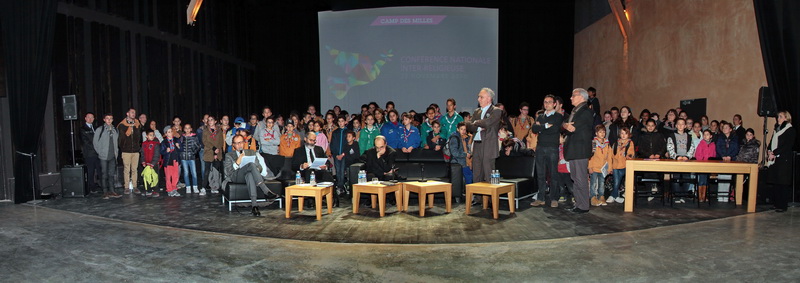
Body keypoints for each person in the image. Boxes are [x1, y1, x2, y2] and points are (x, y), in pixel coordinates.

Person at [224, 135, 277, 216]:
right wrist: (239, 160)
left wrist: (255, 170)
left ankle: (254, 206)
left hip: (248, 174)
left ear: (244, 143)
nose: (239, 145)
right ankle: (266, 191)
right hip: (235, 176)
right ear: (233, 145)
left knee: (249, 174)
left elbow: (259, 167)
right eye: (237, 143)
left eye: (241, 142)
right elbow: (229, 172)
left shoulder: (251, 152)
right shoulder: (229, 155)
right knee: (251, 165)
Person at [562, 88, 594, 213]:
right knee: (575, 178)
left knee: (580, 178)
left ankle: (584, 206)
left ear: (581, 97)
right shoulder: (575, 111)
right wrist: (565, 125)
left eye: (573, 95)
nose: (571, 98)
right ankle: (579, 203)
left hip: (580, 150)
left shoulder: (585, 111)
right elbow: (564, 124)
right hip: (574, 149)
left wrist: (567, 126)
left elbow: (573, 127)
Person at [530, 94, 563, 208]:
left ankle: (554, 198)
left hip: (552, 148)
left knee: (553, 173)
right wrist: (545, 126)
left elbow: (554, 129)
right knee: (540, 174)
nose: (547, 104)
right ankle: (541, 198)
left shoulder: (558, 116)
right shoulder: (540, 117)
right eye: (545, 102)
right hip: (540, 148)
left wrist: (541, 128)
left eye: (549, 102)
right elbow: (534, 129)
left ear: (554, 104)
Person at [465, 87, 502, 184]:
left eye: (481, 97)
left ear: (489, 99)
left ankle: (491, 198)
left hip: (488, 145)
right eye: (478, 97)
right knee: (477, 173)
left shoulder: (496, 110)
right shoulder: (477, 111)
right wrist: (478, 126)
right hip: (477, 144)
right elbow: (469, 125)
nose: (479, 99)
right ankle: (478, 198)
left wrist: (476, 122)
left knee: (489, 173)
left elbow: (488, 122)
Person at [766, 111, 795, 212]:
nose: (778, 118)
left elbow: (787, 146)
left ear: (786, 118)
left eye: (781, 117)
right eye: (778, 116)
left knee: (782, 183)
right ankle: (776, 203)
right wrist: (769, 151)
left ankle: (782, 205)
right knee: (776, 182)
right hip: (775, 159)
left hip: (784, 160)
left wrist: (774, 152)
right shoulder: (776, 130)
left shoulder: (790, 130)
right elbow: (770, 143)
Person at [666, 118, 697, 203]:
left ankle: (683, 195)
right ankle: (676, 195)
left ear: (685, 126)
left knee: (686, 177)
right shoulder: (671, 136)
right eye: (678, 124)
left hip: (686, 161)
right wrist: (676, 157)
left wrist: (687, 157)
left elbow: (692, 148)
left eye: (682, 124)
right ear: (676, 126)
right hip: (676, 160)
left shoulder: (689, 136)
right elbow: (669, 148)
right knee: (675, 178)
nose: (680, 125)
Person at [93, 114, 121, 199]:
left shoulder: (115, 130)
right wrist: (100, 152)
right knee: (104, 174)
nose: (109, 120)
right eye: (107, 119)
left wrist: (116, 153)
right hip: (103, 156)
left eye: (111, 119)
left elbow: (116, 143)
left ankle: (112, 191)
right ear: (104, 120)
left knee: (111, 174)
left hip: (113, 156)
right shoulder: (100, 129)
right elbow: (95, 143)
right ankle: (105, 192)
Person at [117, 108, 142, 195]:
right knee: (127, 169)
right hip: (126, 151)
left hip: (135, 150)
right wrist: (127, 134)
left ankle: (135, 186)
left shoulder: (137, 124)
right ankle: (126, 187)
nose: (133, 114)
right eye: (132, 112)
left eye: (134, 113)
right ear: (127, 114)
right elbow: (120, 140)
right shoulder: (122, 125)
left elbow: (139, 137)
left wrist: (138, 146)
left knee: (135, 169)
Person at [588, 125, 613, 206]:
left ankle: (601, 196)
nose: (602, 133)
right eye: (600, 132)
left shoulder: (607, 143)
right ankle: (593, 197)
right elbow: (590, 156)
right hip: (594, 167)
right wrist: (590, 167)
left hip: (603, 168)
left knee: (602, 183)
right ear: (596, 133)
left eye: (603, 132)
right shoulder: (594, 143)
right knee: (593, 183)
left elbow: (609, 157)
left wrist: (609, 168)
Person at [610, 127, 635, 204]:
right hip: (615, 164)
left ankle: (613, 195)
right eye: (622, 133)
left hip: (624, 164)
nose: (623, 135)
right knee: (616, 181)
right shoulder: (616, 143)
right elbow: (611, 154)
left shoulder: (630, 143)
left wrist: (629, 156)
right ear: (619, 134)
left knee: (618, 181)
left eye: (625, 133)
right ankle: (615, 196)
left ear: (628, 134)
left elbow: (631, 152)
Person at [201, 115, 225, 195]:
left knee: (215, 171)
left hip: (218, 153)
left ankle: (214, 187)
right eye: (209, 120)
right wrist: (213, 149)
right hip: (208, 152)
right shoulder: (205, 131)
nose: (210, 121)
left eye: (212, 120)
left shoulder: (219, 131)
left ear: (215, 121)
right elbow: (205, 142)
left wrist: (216, 151)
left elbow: (221, 142)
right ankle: (204, 187)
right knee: (207, 171)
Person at [80, 112, 101, 194]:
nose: (90, 119)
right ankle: (91, 187)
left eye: (92, 117)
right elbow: (86, 142)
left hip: (98, 153)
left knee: (100, 170)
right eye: (88, 117)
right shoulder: (83, 129)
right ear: (85, 118)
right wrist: (96, 147)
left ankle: (101, 186)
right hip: (89, 153)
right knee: (90, 171)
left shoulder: (96, 128)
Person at [448, 122, 473, 189]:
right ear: (458, 129)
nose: (463, 131)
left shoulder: (465, 138)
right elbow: (454, 152)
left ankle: (469, 193)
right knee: (469, 177)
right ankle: (469, 194)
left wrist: (470, 140)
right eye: (461, 129)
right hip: (458, 162)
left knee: (470, 177)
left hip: (464, 162)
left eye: (464, 129)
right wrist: (465, 154)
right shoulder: (455, 138)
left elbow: (469, 150)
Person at [694, 129, 717, 202]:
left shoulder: (713, 145)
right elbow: (697, 154)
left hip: (709, 165)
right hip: (702, 164)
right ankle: (700, 196)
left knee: (706, 180)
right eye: (704, 134)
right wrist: (702, 161)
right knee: (701, 180)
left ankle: (704, 196)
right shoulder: (701, 144)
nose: (705, 136)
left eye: (707, 134)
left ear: (711, 136)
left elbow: (714, 154)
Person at [330, 115, 350, 194]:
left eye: (342, 121)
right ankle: (339, 187)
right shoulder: (335, 132)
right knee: (338, 171)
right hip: (336, 155)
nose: (341, 123)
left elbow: (348, 144)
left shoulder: (348, 132)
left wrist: (343, 154)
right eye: (339, 121)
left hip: (344, 155)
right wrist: (336, 154)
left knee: (343, 170)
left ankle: (342, 186)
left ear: (345, 122)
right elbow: (333, 144)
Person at [161, 127, 183, 197]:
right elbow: (161, 151)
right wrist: (166, 151)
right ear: (166, 134)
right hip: (168, 161)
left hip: (175, 160)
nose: (170, 133)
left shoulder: (176, 140)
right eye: (169, 132)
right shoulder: (164, 142)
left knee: (175, 176)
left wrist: (178, 146)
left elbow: (181, 149)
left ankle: (174, 188)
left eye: (171, 131)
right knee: (168, 176)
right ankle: (169, 189)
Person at [140, 129, 162, 196]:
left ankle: (155, 190)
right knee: (147, 177)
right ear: (146, 136)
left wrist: (153, 163)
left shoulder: (156, 144)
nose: (152, 136)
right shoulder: (144, 144)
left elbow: (156, 155)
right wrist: (143, 161)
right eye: (150, 135)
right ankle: (148, 190)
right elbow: (142, 154)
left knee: (155, 177)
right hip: (147, 164)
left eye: (153, 135)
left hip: (154, 164)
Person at [180, 123, 201, 194]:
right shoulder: (182, 137)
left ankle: (195, 186)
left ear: (191, 129)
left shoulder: (194, 137)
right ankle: (188, 187)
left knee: (194, 173)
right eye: (186, 128)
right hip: (183, 158)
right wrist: (181, 153)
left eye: (189, 128)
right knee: (186, 173)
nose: (187, 129)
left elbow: (198, 146)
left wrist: (193, 152)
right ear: (184, 129)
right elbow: (179, 146)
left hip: (191, 157)